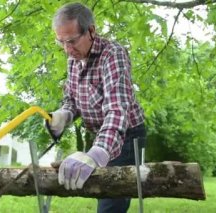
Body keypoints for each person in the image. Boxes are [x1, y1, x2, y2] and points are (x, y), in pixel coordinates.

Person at [46, 2, 146, 213]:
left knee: (110, 203)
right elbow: (72, 99)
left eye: (72, 41)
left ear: (91, 30)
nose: (67, 49)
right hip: (102, 134)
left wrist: (96, 154)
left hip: (127, 135)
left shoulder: (112, 55)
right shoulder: (73, 60)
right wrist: (64, 114)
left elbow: (117, 110)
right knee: (99, 188)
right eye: (61, 42)